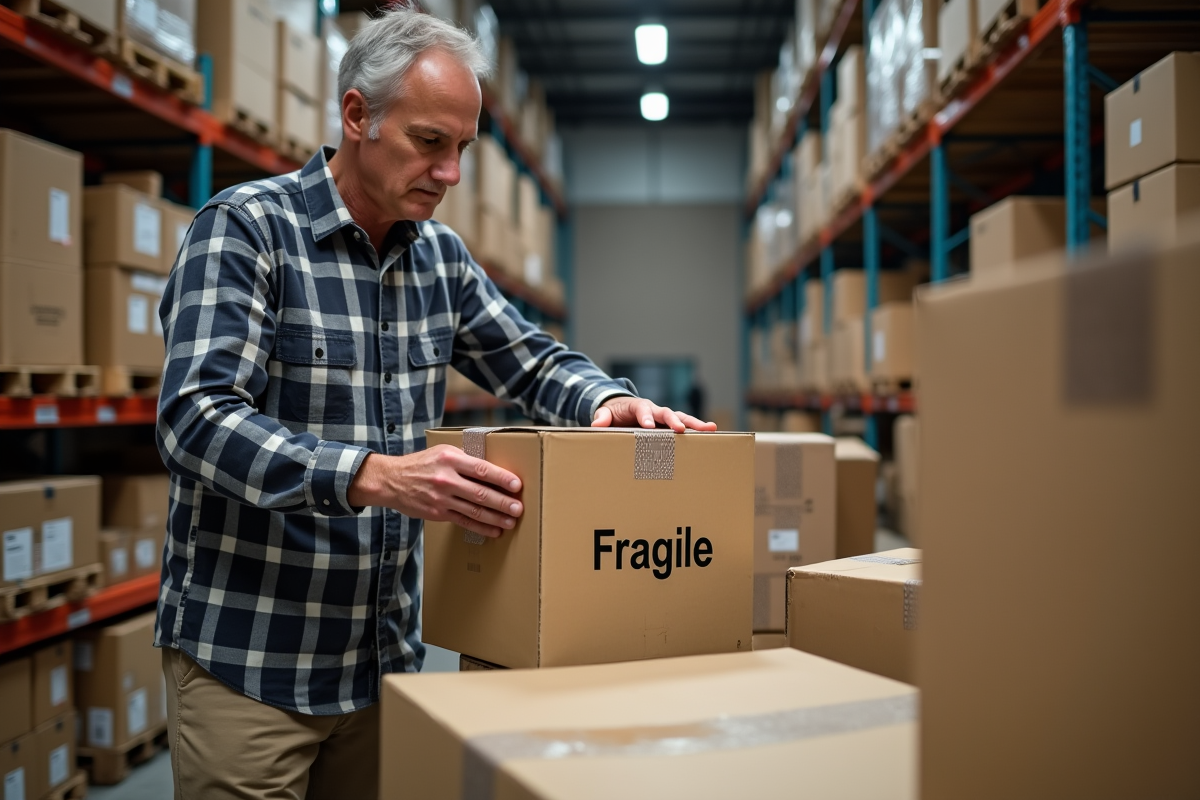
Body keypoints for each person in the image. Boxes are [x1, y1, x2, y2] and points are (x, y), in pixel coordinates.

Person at [153, 7, 714, 800]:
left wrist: (606, 402)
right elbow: (195, 420)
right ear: (357, 117)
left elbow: (529, 360)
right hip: (253, 663)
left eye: (462, 150)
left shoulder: (439, 260)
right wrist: (374, 476)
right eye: (429, 143)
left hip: (384, 664)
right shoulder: (247, 233)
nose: (450, 173)